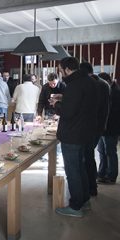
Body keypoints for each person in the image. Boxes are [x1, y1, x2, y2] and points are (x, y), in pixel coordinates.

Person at [50, 57, 98, 217]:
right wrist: (63, 98)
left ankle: (75, 206)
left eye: (60, 69)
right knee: (81, 168)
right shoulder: (89, 81)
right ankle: (84, 201)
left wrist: (55, 105)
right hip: (85, 132)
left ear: (67, 69)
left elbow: (68, 112)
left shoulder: (74, 85)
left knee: (73, 171)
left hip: (72, 134)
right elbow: (81, 103)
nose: (60, 72)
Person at [79, 62, 110, 196]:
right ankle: (91, 186)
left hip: (91, 127)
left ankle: (90, 187)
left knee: (87, 157)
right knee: (88, 156)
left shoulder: (94, 84)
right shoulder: (102, 83)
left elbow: (91, 107)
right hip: (97, 126)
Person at [97, 72, 120, 184]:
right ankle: (102, 172)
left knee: (110, 152)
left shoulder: (116, 93)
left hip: (111, 128)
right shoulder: (107, 91)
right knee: (101, 151)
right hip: (103, 128)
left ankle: (111, 176)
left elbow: (112, 112)